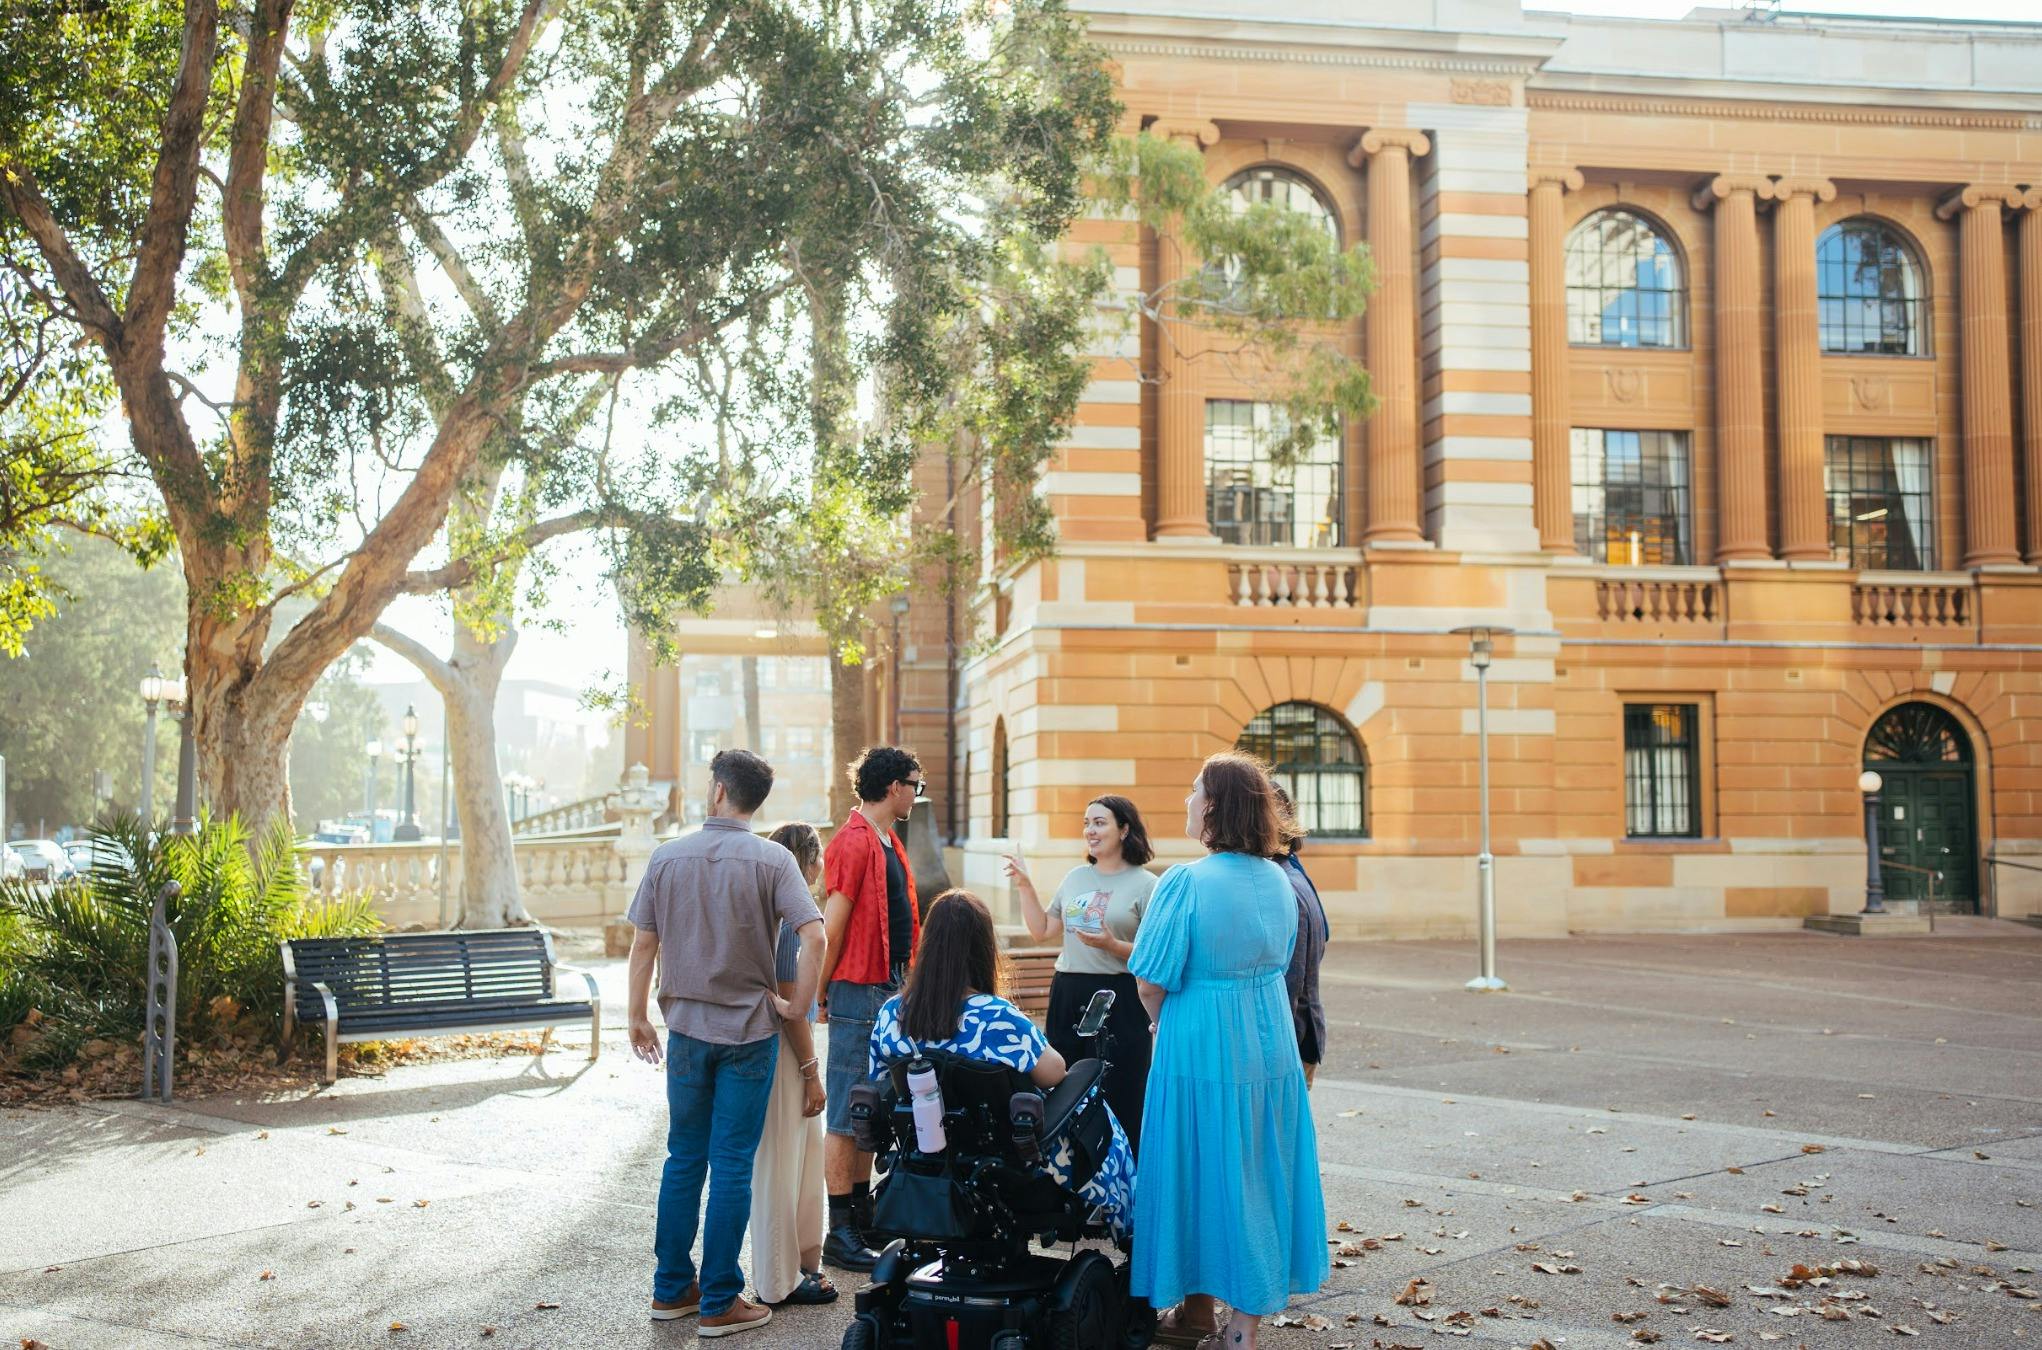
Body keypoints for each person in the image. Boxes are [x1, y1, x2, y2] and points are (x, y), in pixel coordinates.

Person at [1129, 753, 1327, 1350]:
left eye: (1194, 791)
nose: (1187, 800)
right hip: (1268, 1041)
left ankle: (1198, 1312)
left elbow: (1150, 980)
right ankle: (1240, 1326)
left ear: (1213, 805)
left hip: (1199, 1040)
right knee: (1259, 1174)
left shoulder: (1185, 881)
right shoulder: (1280, 879)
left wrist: (1163, 1026)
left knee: (1195, 1173)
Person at [624, 749, 823, 1338]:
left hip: (686, 1029)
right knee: (732, 1163)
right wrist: (797, 1005)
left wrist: (636, 1015)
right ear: (755, 800)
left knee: (683, 1158)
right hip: (750, 1033)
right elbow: (814, 936)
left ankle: (670, 1291)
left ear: (717, 791)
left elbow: (643, 945)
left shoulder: (667, 857)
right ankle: (718, 1302)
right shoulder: (774, 860)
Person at [868, 889, 1136, 1240]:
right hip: (1009, 1160)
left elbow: (880, 1077)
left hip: (929, 1150)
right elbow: (1054, 1072)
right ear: (982, 949)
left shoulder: (892, 1013)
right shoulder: (996, 1017)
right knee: (1091, 1104)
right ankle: (1126, 1222)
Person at [817, 745, 924, 1270]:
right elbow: (832, 926)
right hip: (859, 990)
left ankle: (860, 1221)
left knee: (869, 1108)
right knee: (846, 1112)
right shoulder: (854, 841)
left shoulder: (884, 839)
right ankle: (839, 1232)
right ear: (893, 787)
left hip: (887, 986)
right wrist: (819, 991)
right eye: (915, 785)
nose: (917, 795)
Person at [1003, 794, 1157, 1152]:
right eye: (1087, 823)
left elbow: (1153, 954)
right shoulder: (1075, 878)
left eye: (1100, 823)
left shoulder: (1147, 884)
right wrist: (1024, 885)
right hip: (1069, 991)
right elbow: (1043, 929)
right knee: (1065, 1086)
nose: (1090, 831)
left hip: (1120, 997)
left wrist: (1112, 945)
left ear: (1124, 829)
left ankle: (1124, 1167)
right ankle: (1070, 1166)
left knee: (1122, 1088)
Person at [747, 822, 836, 1307]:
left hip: (776, 1047)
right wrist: (810, 1070)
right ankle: (777, 1278)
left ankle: (799, 1264)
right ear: (809, 861)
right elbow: (788, 1002)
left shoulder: (768, 907)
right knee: (781, 1163)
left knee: (795, 1159)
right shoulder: (789, 917)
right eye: (819, 857)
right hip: (784, 1052)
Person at [1271, 786, 1330, 1089]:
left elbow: (1290, 982)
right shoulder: (1291, 871)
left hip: (1292, 1037)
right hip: (1301, 1033)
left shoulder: (1281, 884)